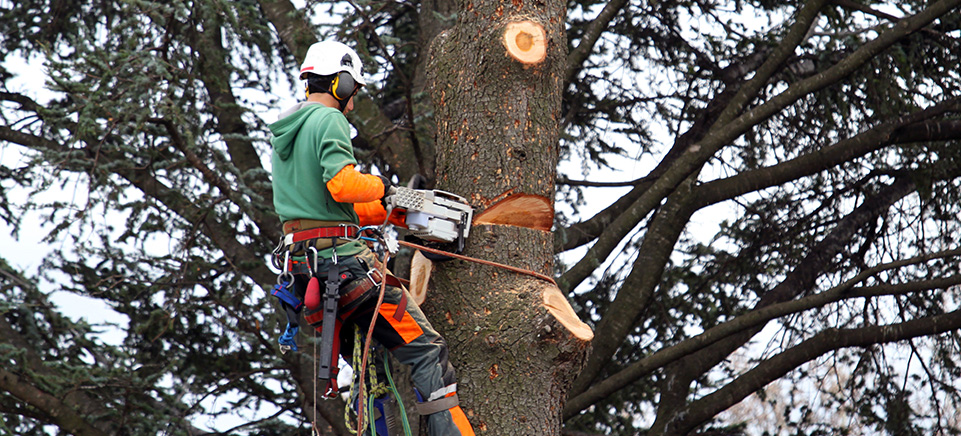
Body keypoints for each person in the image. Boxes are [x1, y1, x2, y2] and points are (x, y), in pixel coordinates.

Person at [269, 40, 475, 436]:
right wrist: (384, 188)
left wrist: (392, 211)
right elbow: (344, 185)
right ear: (340, 84)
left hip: (309, 271)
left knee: (372, 371)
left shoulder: (287, 136)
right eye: (353, 90)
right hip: (347, 269)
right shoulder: (328, 119)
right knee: (427, 350)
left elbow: (329, 210)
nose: (354, 99)